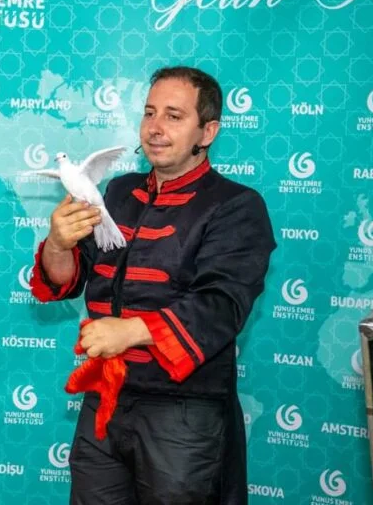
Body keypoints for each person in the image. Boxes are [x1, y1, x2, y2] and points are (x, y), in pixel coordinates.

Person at [29, 65, 276, 504]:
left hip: (183, 412)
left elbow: (221, 306)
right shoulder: (117, 192)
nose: (155, 128)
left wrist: (130, 330)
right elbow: (66, 279)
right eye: (149, 113)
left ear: (207, 131)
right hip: (104, 397)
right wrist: (58, 243)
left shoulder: (237, 205)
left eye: (174, 116)